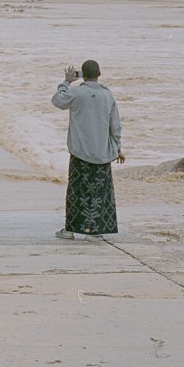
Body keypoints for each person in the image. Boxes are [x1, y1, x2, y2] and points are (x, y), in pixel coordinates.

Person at [51, 60, 124, 239]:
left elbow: (57, 101)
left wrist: (66, 82)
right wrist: (118, 148)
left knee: (77, 190)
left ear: (82, 74)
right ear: (99, 73)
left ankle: (69, 230)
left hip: (80, 152)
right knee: (100, 192)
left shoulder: (76, 93)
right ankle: (95, 232)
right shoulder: (108, 96)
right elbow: (115, 126)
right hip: (102, 153)